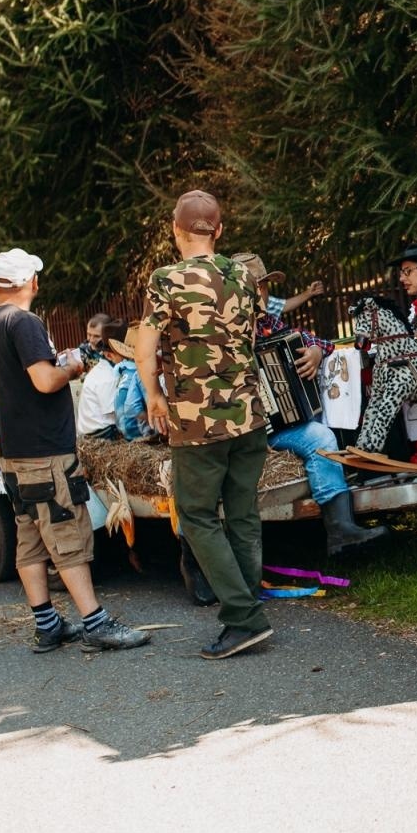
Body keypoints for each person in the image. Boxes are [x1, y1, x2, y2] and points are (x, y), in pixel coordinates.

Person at [0, 247, 149, 654]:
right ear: (30, 282)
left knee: (30, 538)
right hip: (45, 451)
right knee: (66, 532)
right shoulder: (24, 322)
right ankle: (95, 622)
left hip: (12, 452)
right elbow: (45, 381)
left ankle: (47, 625)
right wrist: (72, 366)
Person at [137, 191, 274, 660]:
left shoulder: (165, 279)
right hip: (250, 414)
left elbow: (145, 343)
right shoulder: (243, 273)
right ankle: (249, 603)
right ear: (218, 230)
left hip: (197, 422)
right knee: (242, 513)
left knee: (196, 516)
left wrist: (153, 393)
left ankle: (243, 618)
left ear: (176, 230)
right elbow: (254, 334)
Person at [232, 252, 387, 555]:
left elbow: (321, 342)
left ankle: (340, 531)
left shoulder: (269, 323)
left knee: (320, 433)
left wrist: (315, 351)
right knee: (318, 432)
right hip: (242, 432)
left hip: (277, 428)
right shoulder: (224, 332)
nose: (263, 293)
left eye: (263, 287)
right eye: (256, 287)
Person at [76, 318, 128, 439]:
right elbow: (116, 414)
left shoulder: (108, 370)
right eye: (125, 352)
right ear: (109, 355)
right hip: (101, 433)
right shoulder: (107, 377)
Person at [106, 325, 156, 442]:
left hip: (123, 429)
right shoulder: (138, 372)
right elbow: (133, 408)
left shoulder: (122, 370)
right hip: (137, 431)